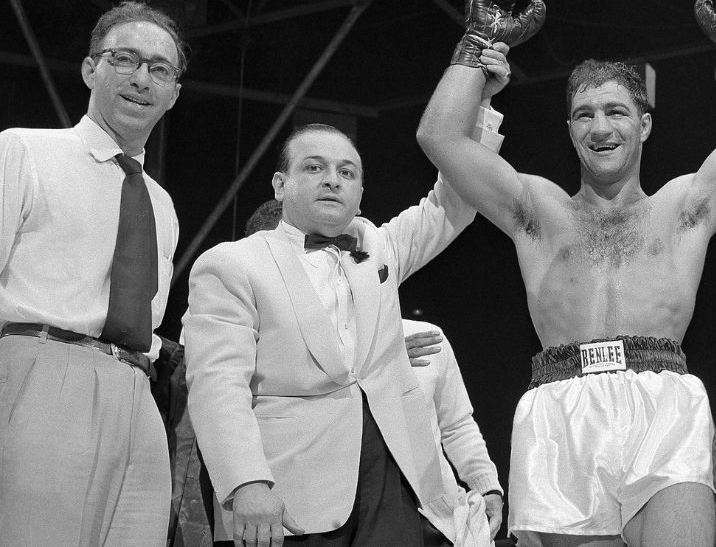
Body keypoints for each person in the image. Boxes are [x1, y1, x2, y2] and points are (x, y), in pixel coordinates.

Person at [416, 0, 716, 546]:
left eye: (615, 111)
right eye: (585, 114)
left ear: (643, 125)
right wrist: (476, 44)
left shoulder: (682, 206)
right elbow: (439, 137)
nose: (600, 126)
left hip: (662, 401)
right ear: (569, 131)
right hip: (561, 407)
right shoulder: (537, 211)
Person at [181, 49, 511, 547]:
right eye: (314, 168)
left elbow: (456, 200)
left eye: (347, 171)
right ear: (280, 184)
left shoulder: (378, 244)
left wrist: (478, 103)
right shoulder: (231, 264)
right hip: (292, 486)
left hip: (391, 477)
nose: (333, 179)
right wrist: (247, 480)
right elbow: (217, 385)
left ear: (360, 191)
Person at [0, 0, 185, 545]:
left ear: (174, 93)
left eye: (160, 68)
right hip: (41, 372)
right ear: (89, 69)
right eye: (125, 59)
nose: (141, 78)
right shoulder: (24, 150)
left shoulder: (163, 204)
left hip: (138, 393)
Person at [403, 319, 505, 543]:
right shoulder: (332, 353)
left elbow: (456, 424)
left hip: (439, 516)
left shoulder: (426, 337)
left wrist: (487, 487)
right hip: (363, 513)